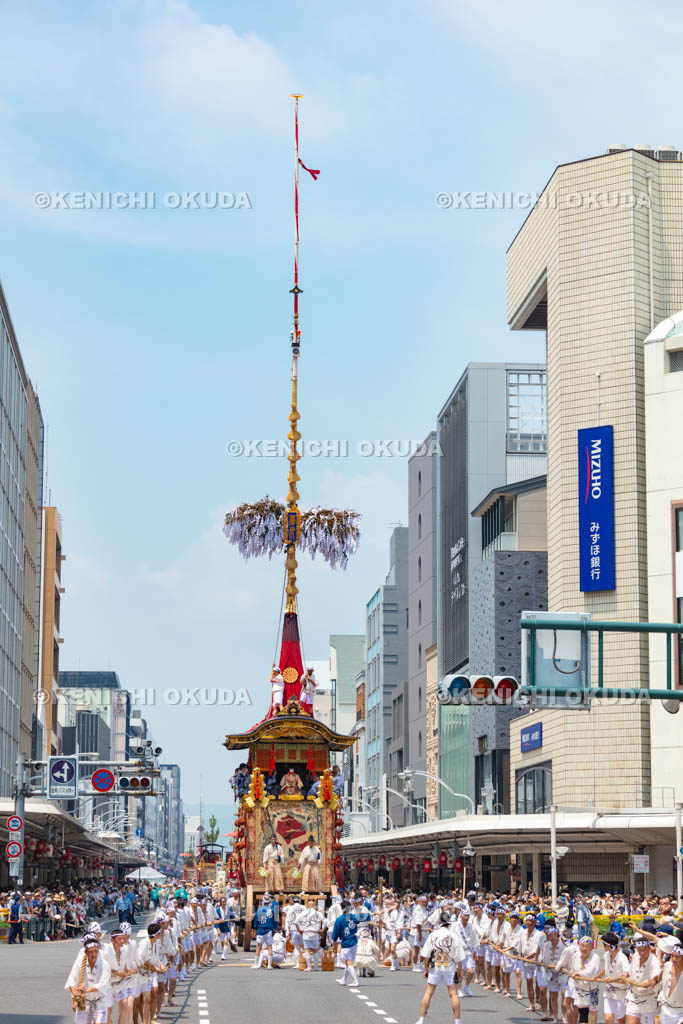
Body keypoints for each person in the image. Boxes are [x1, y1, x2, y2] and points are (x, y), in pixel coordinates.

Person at [415, 909, 465, 1024]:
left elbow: (426, 954)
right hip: (449, 965)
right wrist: (460, 971)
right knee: (453, 994)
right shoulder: (453, 936)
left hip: (435, 965)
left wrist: (426, 968)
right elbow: (458, 956)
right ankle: (457, 1021)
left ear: (439, 922)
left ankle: (421, 1019)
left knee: (428, 992)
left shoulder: (434, 935)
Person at [65, 934, 111, 1024]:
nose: (94, 954)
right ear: (85, 952)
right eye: (91, 952)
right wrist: (74, 996)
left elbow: (104, 984)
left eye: (96, 951)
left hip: (100, 1002)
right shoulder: (79, 963)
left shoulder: (105, 964)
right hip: (84, 1003)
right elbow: (71, 981)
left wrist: (86, 990)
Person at [625, 937, 662, 1024]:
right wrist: (626, 976)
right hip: (633, 997)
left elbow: (656, 977)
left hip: (648, 999)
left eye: (644, 950)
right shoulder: (635, 956)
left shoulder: (654, 961)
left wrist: (651, 981)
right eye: (639, 950)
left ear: (649, 948)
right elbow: (629, 973)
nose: (642, 952)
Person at [598, 931, 630, 1024]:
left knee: (620, 1020)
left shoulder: (622, 959)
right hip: (608, 991)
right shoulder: (607, 955)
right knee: (608, 1018)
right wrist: (598, 976)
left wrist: (612, 980)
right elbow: (606, 967)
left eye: (604, 944)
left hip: (621, 993)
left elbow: (626, 978)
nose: (603, 946)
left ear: (608, 945)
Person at [332, 899, 360, 987]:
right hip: (354, 941)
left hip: (346, 942)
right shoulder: (353, 917)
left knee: (348, 962)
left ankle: (355, 981)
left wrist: (334, 944)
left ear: (341, 908)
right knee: (349, 962)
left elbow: (335, 933)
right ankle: (343, 980)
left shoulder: (340, 919)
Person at [657, 940, 683, 1024]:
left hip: (681, 1012)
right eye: (672, 956)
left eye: (677, 957)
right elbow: (658, 982)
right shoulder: (667, 966)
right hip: (665, 1010)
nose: (674, 959)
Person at [251, 893, 277, 970]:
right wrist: (274, 928)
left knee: (258, 947)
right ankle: (269, 965)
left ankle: (256, 964)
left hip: (260, 930)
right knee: (270, 947)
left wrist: (255, 929)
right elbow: (275, 921)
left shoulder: (259, 910)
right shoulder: (271, 910)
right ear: (269, 902)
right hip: (269, 930)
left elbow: (256, 921)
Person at [298, 897, 324, 971]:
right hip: (315, 933)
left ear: (307, 906)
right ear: (314, 906)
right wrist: (322, 929)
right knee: (316, 949)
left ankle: (309, 967)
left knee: (307, 949)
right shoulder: (318, 913)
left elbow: (296, 921)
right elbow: (325, 921)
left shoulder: (303, 913)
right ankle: (316, 966)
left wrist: (300, 928)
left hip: (306, 933)